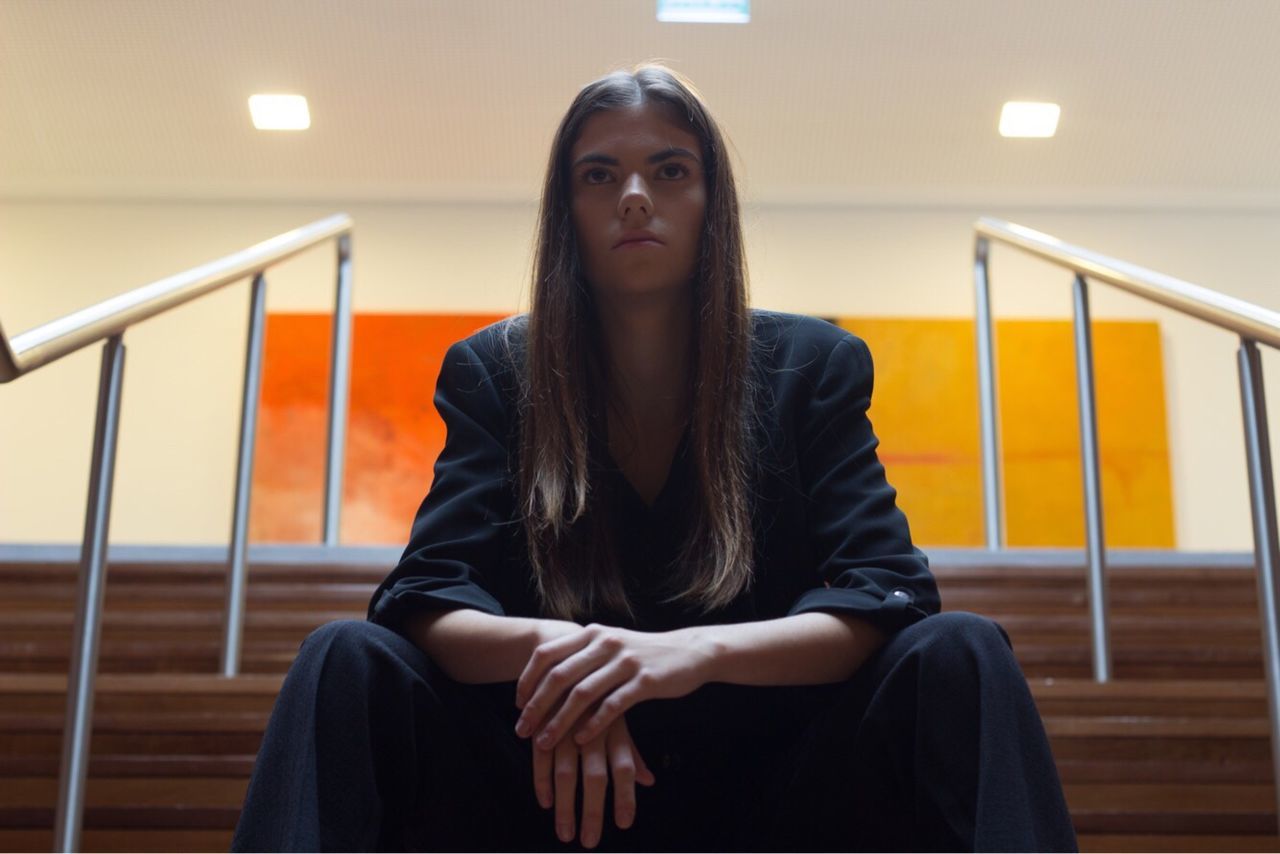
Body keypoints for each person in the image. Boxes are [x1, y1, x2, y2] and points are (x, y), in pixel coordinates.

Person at [231, 63, 1077, 852]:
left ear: (713, 201)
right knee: (341, 658)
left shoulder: (813, 366)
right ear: (569, 211)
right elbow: (422, 596)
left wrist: (690, 654)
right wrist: (581, 667)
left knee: (963, 651)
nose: (634, 197)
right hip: (549, 795)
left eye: (669, 170)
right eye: (600, 175)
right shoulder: (495, 373)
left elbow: (887, 593)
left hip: (780, 791)